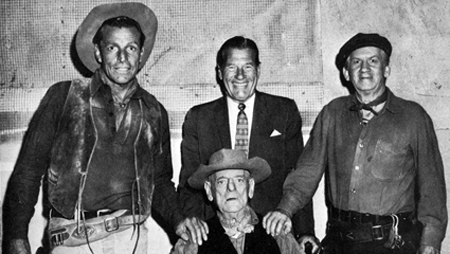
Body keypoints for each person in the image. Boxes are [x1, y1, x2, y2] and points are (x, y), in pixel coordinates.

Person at [2, 2, 208, 254]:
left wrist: (179, 220)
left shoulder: (154, 111)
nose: (123, 58)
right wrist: (15, 236)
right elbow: (28, 170)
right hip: (70, 238)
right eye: (113, 47)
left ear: (141, 53)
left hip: (130, 238)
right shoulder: (64, 97)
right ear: (99, 53)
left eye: (131, 48)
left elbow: (160, 182)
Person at [263, 33, 448, 254]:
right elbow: (307, 172)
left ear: (386, 70)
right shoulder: (332, 114)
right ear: (346, 73)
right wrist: (285, 209)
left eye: (373, 61)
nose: (364, 68)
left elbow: (432, 187)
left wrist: (430, 241)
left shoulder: (413, 117)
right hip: (339, 242)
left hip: (392, 245)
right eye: (356, 62)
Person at [177, 35, 316, 243]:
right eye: (232, 67)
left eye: (248, 67)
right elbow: (189, 183)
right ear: (220, 72)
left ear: (258, 71)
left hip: (271, 231)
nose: (240, 75)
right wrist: (197, 232)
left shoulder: (284, 111)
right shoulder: (199, 118)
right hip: (217, 234)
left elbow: (298, 177)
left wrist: (305, 232)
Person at [173, 148, 303, 254]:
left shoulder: (276, 234)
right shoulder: (194, 240)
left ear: (250, 187)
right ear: (209, 191)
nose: (231, 188)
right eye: (222, 181)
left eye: (239, 180)